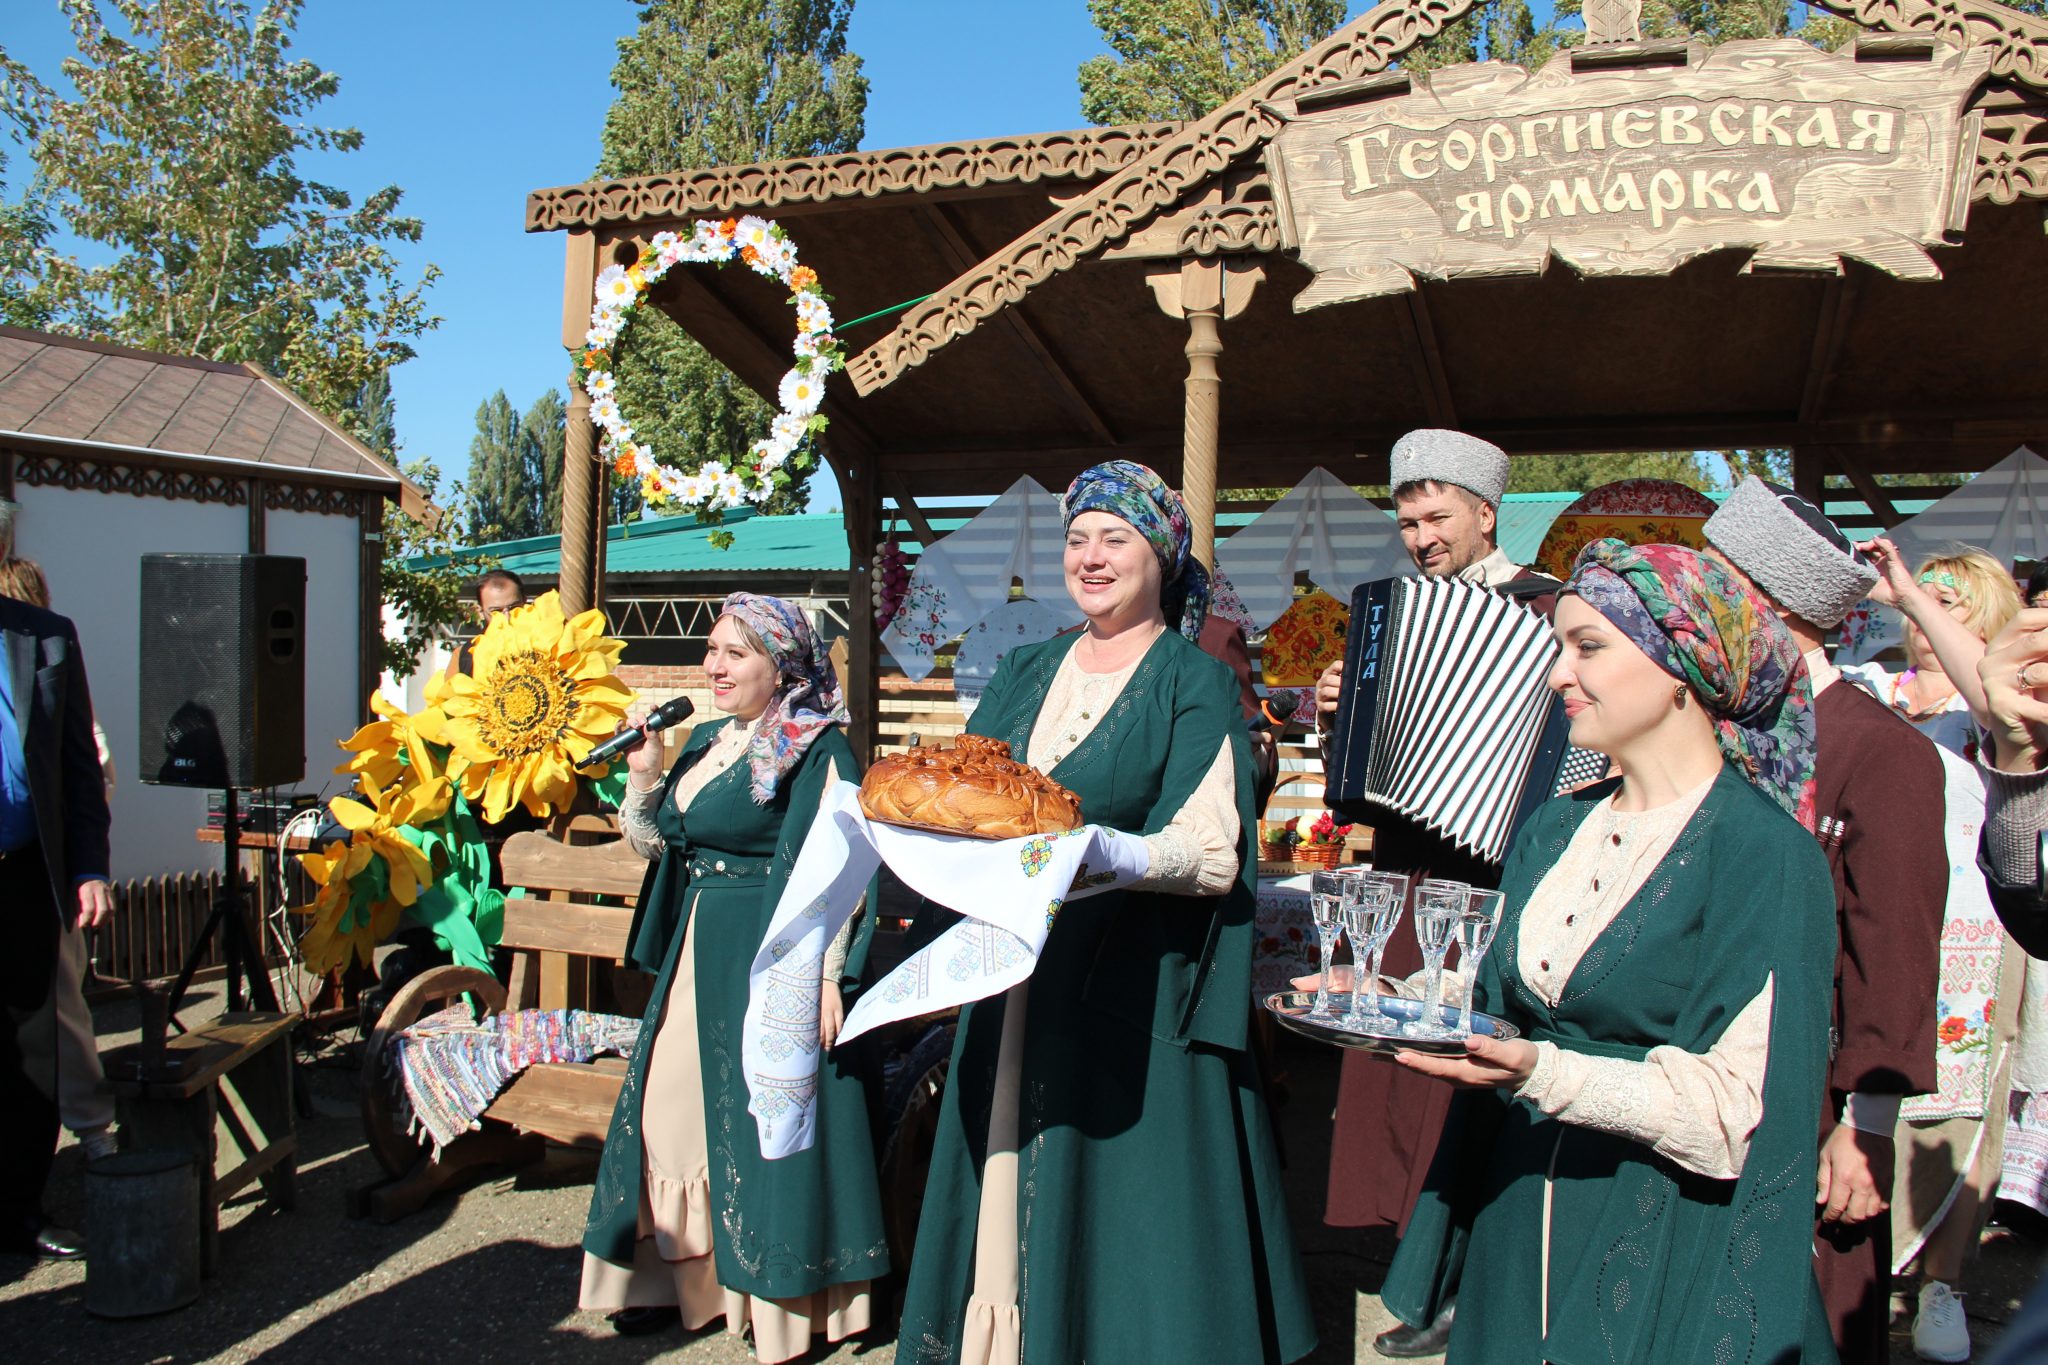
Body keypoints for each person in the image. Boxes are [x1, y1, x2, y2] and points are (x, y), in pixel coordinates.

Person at [1380, 538, 1838, 1363]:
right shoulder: (1554, 824)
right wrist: (1378, 992)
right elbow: (1493, 999)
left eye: (1588, 646)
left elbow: (1741, 1112)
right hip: (1515, 1210)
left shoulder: (1764, 853)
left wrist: (1543, 1073)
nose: (1558, 672)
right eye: (1560, 646)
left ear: (1681, 669)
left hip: (1660, 1224)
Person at [897, 460, 1315, 1365]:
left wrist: (1099, 854)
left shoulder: (1191, 679)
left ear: (1160, 556)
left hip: (1128, 988)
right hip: (1008, 971)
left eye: (1114, 538)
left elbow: (1211, 852)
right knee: (1005, 1169)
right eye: (1077, 538)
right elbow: (971, 795)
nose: (1090, 556)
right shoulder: (1024, 666)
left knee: (1124, 1216)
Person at [579, 593, 888, 1361]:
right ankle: (680, 1279)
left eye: (737, 653)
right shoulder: (711, 738)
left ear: (781, 667)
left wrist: (826, 976)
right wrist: (644, 777)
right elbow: (664, 845)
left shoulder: (819, 746)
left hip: (771, 947)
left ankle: (779, 1301)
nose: (715, 665)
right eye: (713, 649)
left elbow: (841, 865)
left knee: (762, 1123)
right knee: (669, 1109)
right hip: (698, 943)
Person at [1310, 428, 1558, 1357]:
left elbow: (1573, 746)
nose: (1420, 537)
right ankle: (1417, 1257)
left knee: (1473, 1068)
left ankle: (1465, 1274)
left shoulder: (1548, 608)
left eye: (1437, 516)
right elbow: (1356, 775)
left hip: (1505, 869)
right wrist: (1340, 712)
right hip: (1409, 861)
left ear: (1485, 512)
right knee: (1403, 1058)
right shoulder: (1386, 611)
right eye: (1408, 520)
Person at [1702, 478, 1946, 1364]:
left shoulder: (1889, 754)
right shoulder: (1715, 728)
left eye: (1716, 583)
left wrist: (1867, 1126)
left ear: (1772, 603)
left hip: (1816, 1111)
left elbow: (1893, 952)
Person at [1845, 542, 2024, 1359]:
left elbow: (1994, 695)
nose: (1926, 620)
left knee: (1955, 1113)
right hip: (1875, 922)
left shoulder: (2000, 712)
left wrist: (1911, 595)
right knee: (1863, 1096)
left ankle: (1942, 1286)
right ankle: (1857, 1265)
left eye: (1953, 605)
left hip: (1970, 932)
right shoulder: (1873, 688)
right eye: (1926, 603)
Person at [0, 574, 113, 1261]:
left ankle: (19, 1210)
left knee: (37, 1049)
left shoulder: (47, 636)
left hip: (21, 876)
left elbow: (77, 767)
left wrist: (89, 867)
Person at [1850, 542, 2021, 760]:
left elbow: (1998, 700)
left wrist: (1911, 597)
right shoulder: (1866, 681)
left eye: (1945, 601)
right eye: (1920, 600)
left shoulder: (1985, 699)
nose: (1920, 612)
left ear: (1989, 620)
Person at [445, 569, 524, 680]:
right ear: (480, 612)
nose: (507, 617)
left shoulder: (546, 644)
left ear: (525, 602)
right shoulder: (465, 656)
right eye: (496, 611)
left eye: (514, 608)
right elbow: (450, 696)